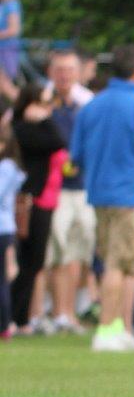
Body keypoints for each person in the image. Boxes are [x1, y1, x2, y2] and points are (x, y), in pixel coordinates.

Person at [69, 45, 134, 352]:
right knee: (121, 263)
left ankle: (122, 329)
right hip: (130, 194)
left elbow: (76, 156)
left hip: (98, 193)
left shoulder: (91, 106)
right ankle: (106, 329)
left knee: (121, 263)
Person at [44, 49, 97, 334]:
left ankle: (71, 310)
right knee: (57, 250)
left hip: (84, 187)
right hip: (53, 188)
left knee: (81, 250)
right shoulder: (42, 100)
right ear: (51, 72)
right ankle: (58, 311)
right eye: (59, 70)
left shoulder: (88, 103)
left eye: (69, 70)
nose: (64, 75)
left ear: (78, 72)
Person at [9, 83, 65, 336]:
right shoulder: (22, 130)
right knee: (28, 261)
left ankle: (20, 318)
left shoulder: (32, 128)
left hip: (45, 200)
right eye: (42, 104)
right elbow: (58, 141)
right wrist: (44, 121)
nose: (47, 110)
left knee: (35, 261)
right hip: (30, 202)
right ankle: (13, 316)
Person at [0, 129, 24, 338]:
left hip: (3, 227)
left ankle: (5, 324)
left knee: (2, 278)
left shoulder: (6, 168)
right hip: (6, 226)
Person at [0, 0, 22, 80]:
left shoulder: (12, 4)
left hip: (7, 50)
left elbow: (14, 30)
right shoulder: (3, 4)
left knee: (5, 82)